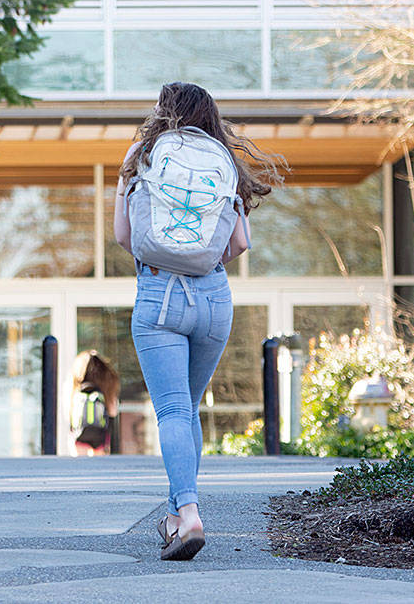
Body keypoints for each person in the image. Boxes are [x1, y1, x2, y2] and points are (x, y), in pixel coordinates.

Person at [113, 82, 280, 561]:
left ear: (163, 113)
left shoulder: (141, 154)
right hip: (213, 299)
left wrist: (161, 254)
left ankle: (188, 514)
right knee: (187, 409)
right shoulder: (223, 159)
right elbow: (240, 245)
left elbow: (124, 235)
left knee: (169, 411)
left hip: (160, 294)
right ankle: (175, 518)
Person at [70, 350, 120, 456]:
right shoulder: (107, 385)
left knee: (79, 464)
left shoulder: (75, 387)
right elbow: (112, 411)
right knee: (99, 465)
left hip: (79, 433)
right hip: (100, 434)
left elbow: (68, 413)